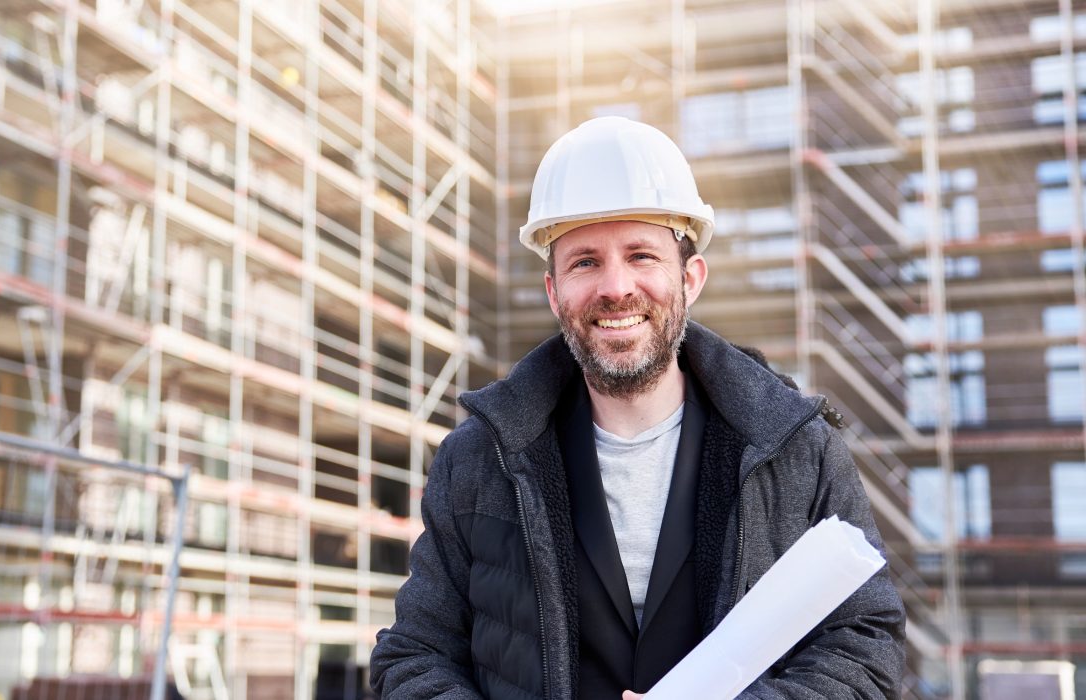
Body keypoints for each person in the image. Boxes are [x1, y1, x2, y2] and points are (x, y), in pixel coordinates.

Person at [369, 117, 905, 699]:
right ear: (554, 293)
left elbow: (866, 645)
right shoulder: (477, 461)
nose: (615, 287)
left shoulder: (795, 448)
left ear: (690, 278)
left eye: (642, 255)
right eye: (584, 262)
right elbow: (414, 657)